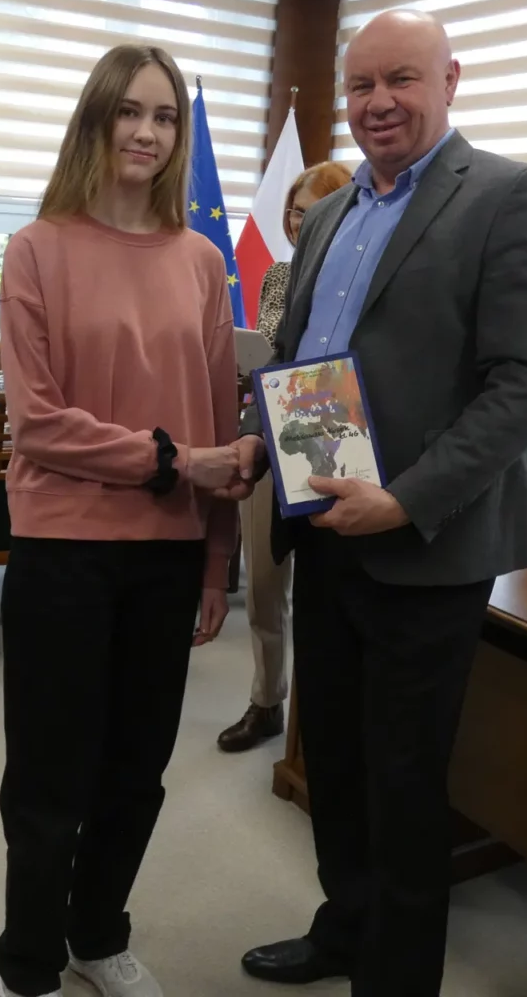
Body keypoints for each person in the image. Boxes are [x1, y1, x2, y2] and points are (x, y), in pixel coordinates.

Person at [224, 10, 527, 996]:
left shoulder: (511, 196)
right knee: (333, 761)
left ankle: (397, 978)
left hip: (427, 547)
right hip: (325, 532)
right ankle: (344, 930)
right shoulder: (332, 210)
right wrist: (259, 438)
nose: (378, 102)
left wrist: (406, 500)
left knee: (405, 781)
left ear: (450, 80)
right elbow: (299, 360)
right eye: (361, 84)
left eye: (402, 79)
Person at [0, 43, 241, 997]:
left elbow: (216, 422)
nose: (147, 132)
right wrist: (170, 460)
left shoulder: (202, 262)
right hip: (62, 549)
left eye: (165, 116)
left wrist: (216, 562)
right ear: (95, 121)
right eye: (129, 111)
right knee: (49, 779)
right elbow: (37, 424)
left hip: (168, 555)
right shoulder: (37, 248)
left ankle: (97, 935)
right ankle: (28, 966)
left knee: (137, 771)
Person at [219, 160, 351, 754]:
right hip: (270, 426)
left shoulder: (365, 273)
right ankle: (267, 699)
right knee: (265, 582)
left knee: (327, 590)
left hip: (336, 436)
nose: (301, 223)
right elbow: (273, 347)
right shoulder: (279, 274)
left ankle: (315, 721)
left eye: (313, 211)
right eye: (295, 212)